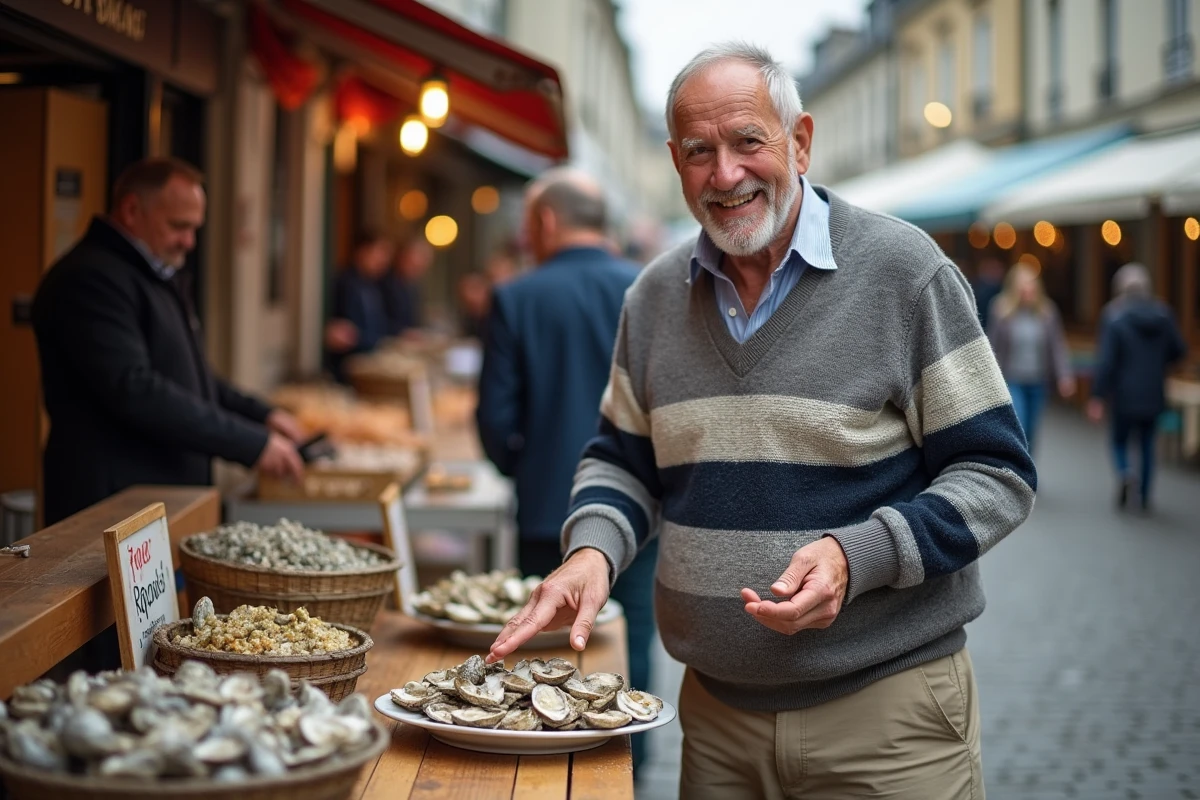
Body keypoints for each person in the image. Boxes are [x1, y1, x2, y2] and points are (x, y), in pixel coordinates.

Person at [488, 44, 1036, 799]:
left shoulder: (904, 272)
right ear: (675, 163)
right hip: (715, 724)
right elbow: (622, 459)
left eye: (749, 141)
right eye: (698, 152)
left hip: (887, 718)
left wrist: (857, 555)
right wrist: (591, 553)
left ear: (799, 141)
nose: (725, 174)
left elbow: (997, 473)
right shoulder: (651, 299)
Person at [475, 169, 658, 770]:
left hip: (548, 510)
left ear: (546, 222)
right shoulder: (651, 290)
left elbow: (496, 422)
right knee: (629, 651)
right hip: (642, 514)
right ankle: (628, 770)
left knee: (543, 659)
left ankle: (546, 776)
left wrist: (524, 467)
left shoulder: (518, 296)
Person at [32, 157, 305, 526]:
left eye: (195, 229)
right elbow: (136, 389)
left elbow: (193, 378)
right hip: (111, 508)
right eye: (179, 226)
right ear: (131, 210)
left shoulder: (152, 273)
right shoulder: (90, 278)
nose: (189, 242)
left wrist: (263, 416)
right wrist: (251, 444)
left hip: (157, 500)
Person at [1087, 263, 1187, 511]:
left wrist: (1097, 395)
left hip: (1123, 393)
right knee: (1147, 444)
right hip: (1154, 391)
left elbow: (1107, 361)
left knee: (1119, 440)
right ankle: (1143, 496)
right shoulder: (1164, 315)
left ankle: (1124, 471)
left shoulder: (1114, 316)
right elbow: (1179, 351)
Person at [986, 263, 1075, 449]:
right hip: (1012, 380)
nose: (1028, 292)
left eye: (1031, 287)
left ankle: (1028, 472)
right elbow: (991, 346)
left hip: (1038, 380)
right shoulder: (1001, 310)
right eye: (1023, 288)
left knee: (1032, 431)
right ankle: (1019, 472)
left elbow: (1057, 346)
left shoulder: (1047, 312)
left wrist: (1064, 376)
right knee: (1021, 426)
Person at [325, 231, 395, 382]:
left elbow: (378, 327)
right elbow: (336, 331)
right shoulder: (345, 283)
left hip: (369, 364)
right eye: (380, 252)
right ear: (363, 251)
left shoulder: (374, 286)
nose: (384, 260)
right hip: (346, 369)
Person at [381, 237, 434, 336]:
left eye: (421, 268)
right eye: (414, 266)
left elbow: (414, 320)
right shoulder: (384, 283)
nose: (417, 271)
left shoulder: (414, 288)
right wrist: (401, 331)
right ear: (402, 258)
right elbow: (379, 321)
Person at [971, 255, 1005, 330]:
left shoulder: (1001, 294)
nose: (997, 272)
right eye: (993, 269)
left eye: (998, 269)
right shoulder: (979, 291)